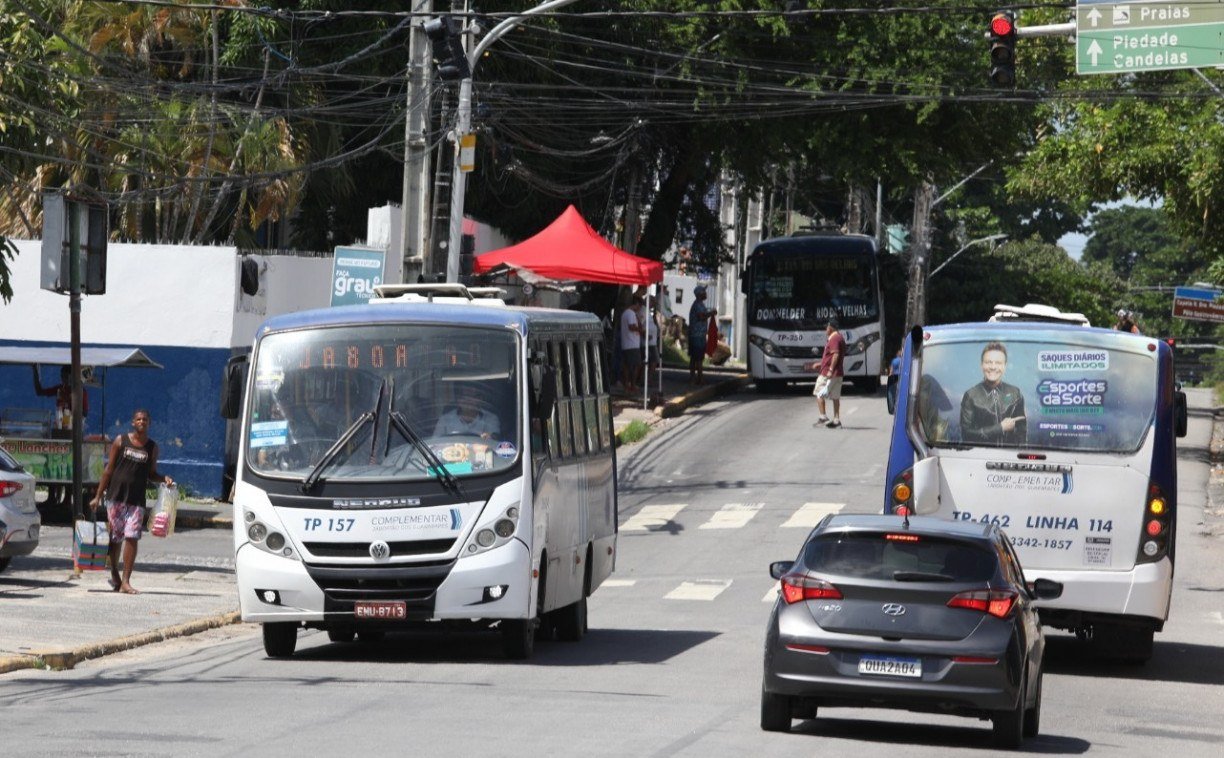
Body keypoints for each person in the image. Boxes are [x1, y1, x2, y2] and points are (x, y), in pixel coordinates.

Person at [90, 409, 173, 594]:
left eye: (145, 419)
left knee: (132, 536)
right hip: (116, 497)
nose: (142, 421)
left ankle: (126, 581)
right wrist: (97, 496)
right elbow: (108, 470)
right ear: (133, 422)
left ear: (149, 423)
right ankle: (114, 573)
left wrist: (163, 478)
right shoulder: (121, 441)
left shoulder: (152, 447)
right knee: (115, 538)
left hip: (136, 500)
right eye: (138, 419)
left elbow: (151, 474)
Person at [959, 341, 1027, 446]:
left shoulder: (1015, 393)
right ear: (981, 365)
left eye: (998, 363)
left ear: (1005, 366)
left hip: (1009, 458)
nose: (993, 367)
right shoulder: (971, 395)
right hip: (980, 457)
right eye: (988, 362)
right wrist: (1000, 428)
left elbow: (1022, 435)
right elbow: (966, 434)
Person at [806, 319, 845, 428]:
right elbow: (831, 356)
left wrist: (830, 369)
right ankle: (837, 421)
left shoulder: (834, 338)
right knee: (835, 397)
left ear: (831, 327)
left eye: (827, 327)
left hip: (829, 373)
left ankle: (823, 417)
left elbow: (835, 355)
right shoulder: (840, 337)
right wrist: (820, 363)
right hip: (838, 373)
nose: (825, 329)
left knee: (819, 393)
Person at [433, 385, 500, 439]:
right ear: (458, 400)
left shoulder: (491, 419)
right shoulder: (445, 420)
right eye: (464, 397)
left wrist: (489, 437)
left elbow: (494, 442)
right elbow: (435, 443)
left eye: (472, 397)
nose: (468, 401)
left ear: (480, 399)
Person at [687, 285, 715, 385]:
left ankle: (694, 378)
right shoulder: (698, 305)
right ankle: (699, 378)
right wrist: (711, 313)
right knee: (698, 358)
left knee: (695, 357)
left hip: (698, 334)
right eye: (704, 292)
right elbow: (701, 317)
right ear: (699, 294)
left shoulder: (700, 304)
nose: (706, 293)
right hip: (697, 335)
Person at [620, 297, 645, 394]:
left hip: (626, 343)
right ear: (637, 304)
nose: (640, 308)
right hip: (632, 343)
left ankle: (627, 385)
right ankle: (632, 385)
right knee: (637, 364)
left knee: (626, 365)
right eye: (640, 306)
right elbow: (631, 326)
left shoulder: (626, 313)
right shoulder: (630, 313)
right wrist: (641, 330)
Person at [886, 349, 903, 414]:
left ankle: (892, 409)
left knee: (892, 393)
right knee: (899, 393)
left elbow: (891, 370)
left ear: (897, 354)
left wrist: (889, 376)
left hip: (894, 377)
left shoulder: (894, 360)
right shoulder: (903, 360)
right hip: (901, 377)